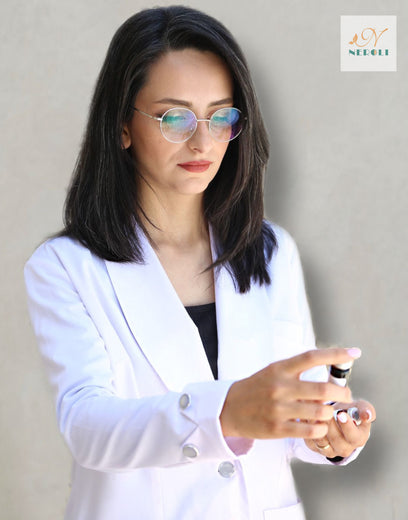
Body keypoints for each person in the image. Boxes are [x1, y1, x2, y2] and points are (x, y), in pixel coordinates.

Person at [24, 6, 375, 520]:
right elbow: (88, 427)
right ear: (122, 125)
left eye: (221, 116)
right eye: (175, 117)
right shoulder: (65, 268)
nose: (203, 141)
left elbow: (288, 421)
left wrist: (330, 434)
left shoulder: (271, 251)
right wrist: (225, 411)